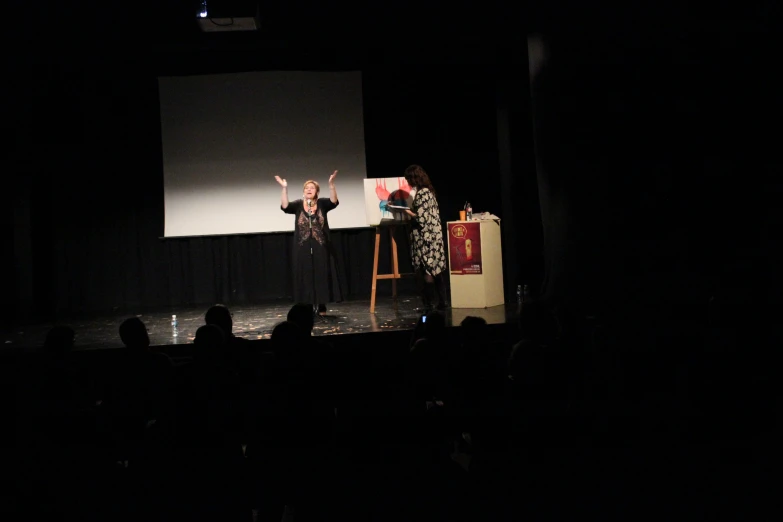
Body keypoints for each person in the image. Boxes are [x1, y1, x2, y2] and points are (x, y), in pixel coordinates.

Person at [275, 171, 343, 315]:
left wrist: (331, 185)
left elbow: (333, 201)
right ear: (303, 191)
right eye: (306, 188)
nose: (309, 190)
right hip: (302, 247)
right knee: (305, 275)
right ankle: (307, 305)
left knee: (321, 274)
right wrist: (284, 188)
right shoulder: (298, 205)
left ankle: (322, 304)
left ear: (317, 191)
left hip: (321, 246)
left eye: (312, 188)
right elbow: (285, 206)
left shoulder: (322, 203)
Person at [400, 165, 448, 310]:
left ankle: (429, 305)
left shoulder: (421, 194)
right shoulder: (430, 193)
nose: (408, 182)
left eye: (409, 179)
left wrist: (406, 211)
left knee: (426, 272)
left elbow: (421, 219)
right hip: (435, 239)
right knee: (436, 270)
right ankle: (442, 302)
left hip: (425, 240)